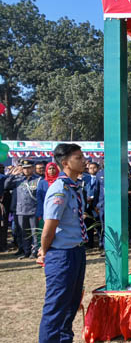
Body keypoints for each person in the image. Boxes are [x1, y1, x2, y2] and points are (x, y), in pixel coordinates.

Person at [37, 143, 87, 343]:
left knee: (71, 304)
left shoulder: (74, 186)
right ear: (65, 163)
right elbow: (49, 228)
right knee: (56, 306)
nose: (84, 160)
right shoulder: (59, 188)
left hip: (76, 252)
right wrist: (44, 251)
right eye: (78, 157)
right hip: (62, 255)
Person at [4, 159, 41, 258]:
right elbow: (6, 186)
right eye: (24, 168)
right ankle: (26, 251)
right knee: (24, 232)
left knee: (34, 232)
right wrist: (12, 175)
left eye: (28, 168)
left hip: (33, 210)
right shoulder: (18, 179)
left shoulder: (38, 180)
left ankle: (35, 251)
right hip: (20, 210)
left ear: (33, 168)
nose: (26, 170)